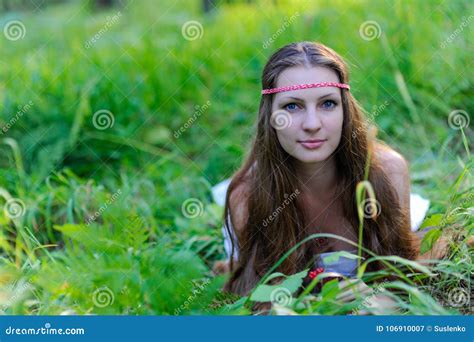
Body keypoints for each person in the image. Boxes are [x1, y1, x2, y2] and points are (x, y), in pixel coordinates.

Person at [216, 41, 443, 298]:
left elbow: (401, 272)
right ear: (270, 116)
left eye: (327, 104)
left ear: (345, 109)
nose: (312, 124)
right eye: (292, 106)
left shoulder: (387, 172)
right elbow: (257, 295)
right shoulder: (249, 196)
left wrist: (382, 301)